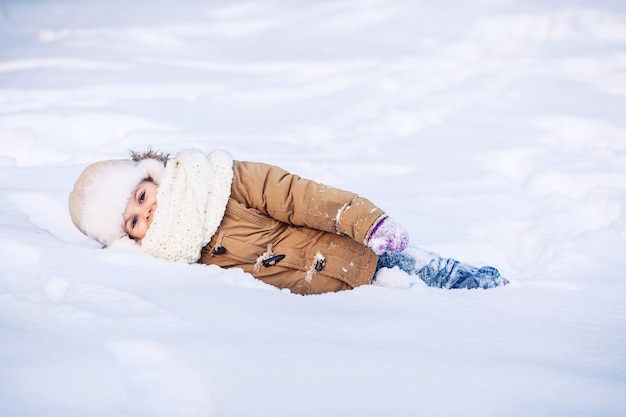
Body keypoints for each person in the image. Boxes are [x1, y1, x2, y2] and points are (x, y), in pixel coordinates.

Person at [68, 148, 508, 295]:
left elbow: (300, 196)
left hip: (356, 250)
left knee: (440, 282)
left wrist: (367, 222)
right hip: (336, 299)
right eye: (132, 222)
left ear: (152, 175)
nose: (146, 212)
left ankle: (483, 287)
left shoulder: (219, 180)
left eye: (142, 197)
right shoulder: (173, 261)